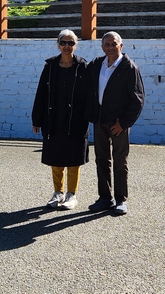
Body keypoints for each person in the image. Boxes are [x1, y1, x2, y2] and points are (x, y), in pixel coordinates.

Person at [86, 32, 144, 216]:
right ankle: (105, 198)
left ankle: (120, 200)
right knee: (101, 160)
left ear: (121, 45)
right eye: (107, 44)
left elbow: (138, 100)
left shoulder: (129, 67)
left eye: (114, 44)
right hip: (100, 120)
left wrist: (124, 123)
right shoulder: (96, 65)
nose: (110, 47)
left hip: (119, 123)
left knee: (120, 161)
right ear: (102, 47)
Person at [31, 30, 91, 210]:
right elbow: (41, 92)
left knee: (74, 158)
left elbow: (89, 94)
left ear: (76, 45)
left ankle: (72, 194)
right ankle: (58, 192)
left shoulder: (83, 66)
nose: (67, 46)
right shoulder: (50, 66)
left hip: (77, 119)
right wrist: (37, 119)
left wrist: (88, 116)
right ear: (58, 44)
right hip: (53, 117)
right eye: (63, 42)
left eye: (71, 43)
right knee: (56, 156)